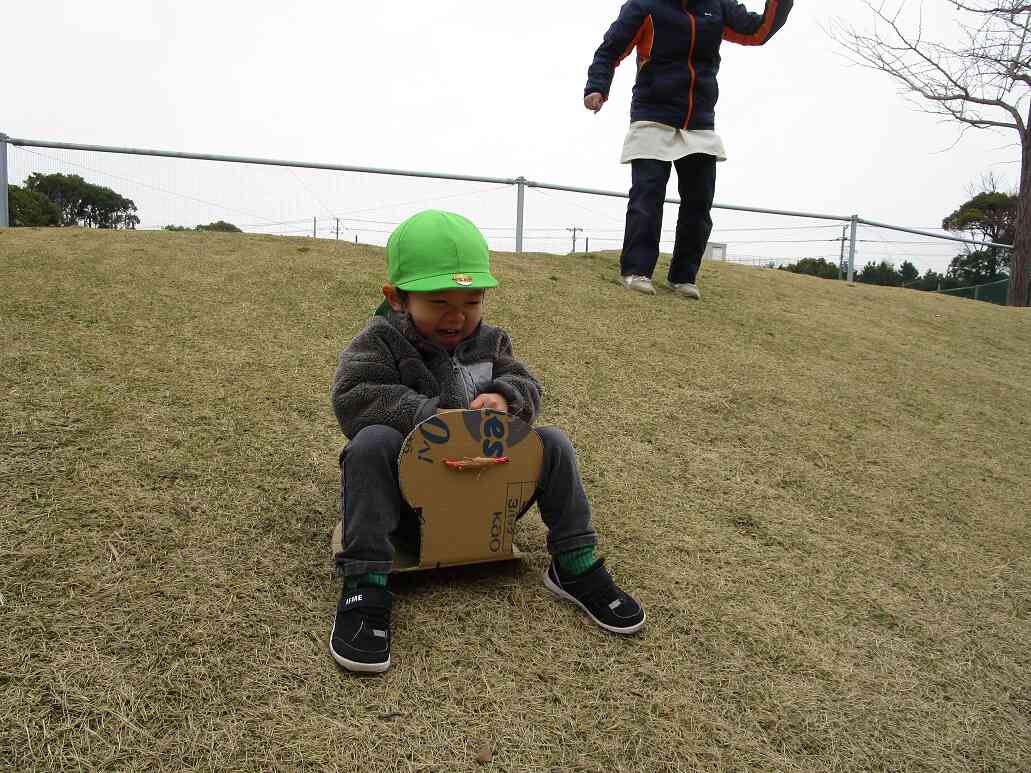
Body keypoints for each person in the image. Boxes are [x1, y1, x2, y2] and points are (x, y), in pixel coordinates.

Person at [329, 209, 646, 673]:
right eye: (439, 301)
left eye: (472, 301)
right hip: (406, 507)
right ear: (396, 298)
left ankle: (574, 564)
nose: (458, 316)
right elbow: (353, 396)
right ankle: (365, 583)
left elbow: (526, 383)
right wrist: (427, 415)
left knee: (553, 442)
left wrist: (504, 396)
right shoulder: (380, 341)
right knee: (370, 442)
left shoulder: (492, 341)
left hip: (485, 499)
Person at [584, 0, 794, 298]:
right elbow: (610, 49)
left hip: (699, 121)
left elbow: (758, 31)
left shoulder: (717, 6)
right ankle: (636, 271)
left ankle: (683, 277)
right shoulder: (644, 5)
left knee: (699, 202)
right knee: (647, 196)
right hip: (653, 115)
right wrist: (597, 87)